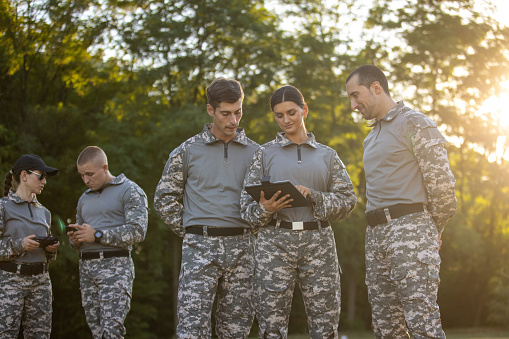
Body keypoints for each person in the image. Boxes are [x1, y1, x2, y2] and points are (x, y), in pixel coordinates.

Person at [345, 65, 457, 338]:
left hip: (411, 230)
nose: (353, 104)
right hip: (376, 236)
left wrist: (433, 229)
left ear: (376, 87)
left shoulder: (414, 122)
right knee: (386, 328)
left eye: (355, 95)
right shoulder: (371, 136)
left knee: (422, 323)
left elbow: (442, 185)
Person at [240, 85, 357, 339]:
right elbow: (246, 212)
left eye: (291, 113)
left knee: (325, 329)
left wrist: (314, 196)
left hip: (319, 244)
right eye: (279, 115)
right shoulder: (263, 154)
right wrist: (265, 208)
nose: (285, 120)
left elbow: (348, 202)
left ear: (304, 110)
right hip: (274, 244)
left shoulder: (328, 155)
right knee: (271, 329)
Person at [154, 78, 259, 338]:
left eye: (238, 112)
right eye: (226, 113)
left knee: (236, 331)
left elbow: (264, 204)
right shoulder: (186, 151)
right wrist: (191, 229)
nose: (233, 120)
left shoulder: (258, 154)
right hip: (199, 248)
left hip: (243, 250)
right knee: (191, 329)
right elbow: (163, 199)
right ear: (210, 110)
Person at [67, 146, 148, 339]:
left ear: (104, 168)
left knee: (111, 331)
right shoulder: (84, 198)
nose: (86, 180)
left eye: (89, 174)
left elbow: (138, 231)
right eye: (81, 175)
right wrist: (75, 240)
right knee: (96, 332)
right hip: (87, 269)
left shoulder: (130, 190)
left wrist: (97, 235)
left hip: (115, 268)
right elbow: (79, 238)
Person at [0, 154, 60, 338]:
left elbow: (47, 255)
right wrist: (21, 245)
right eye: (41, 176)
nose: (45, 181)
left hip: (41, 283)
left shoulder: (45, 212)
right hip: (10, 282)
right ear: (24, 175)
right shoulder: (3, 207)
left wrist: (51, 251)